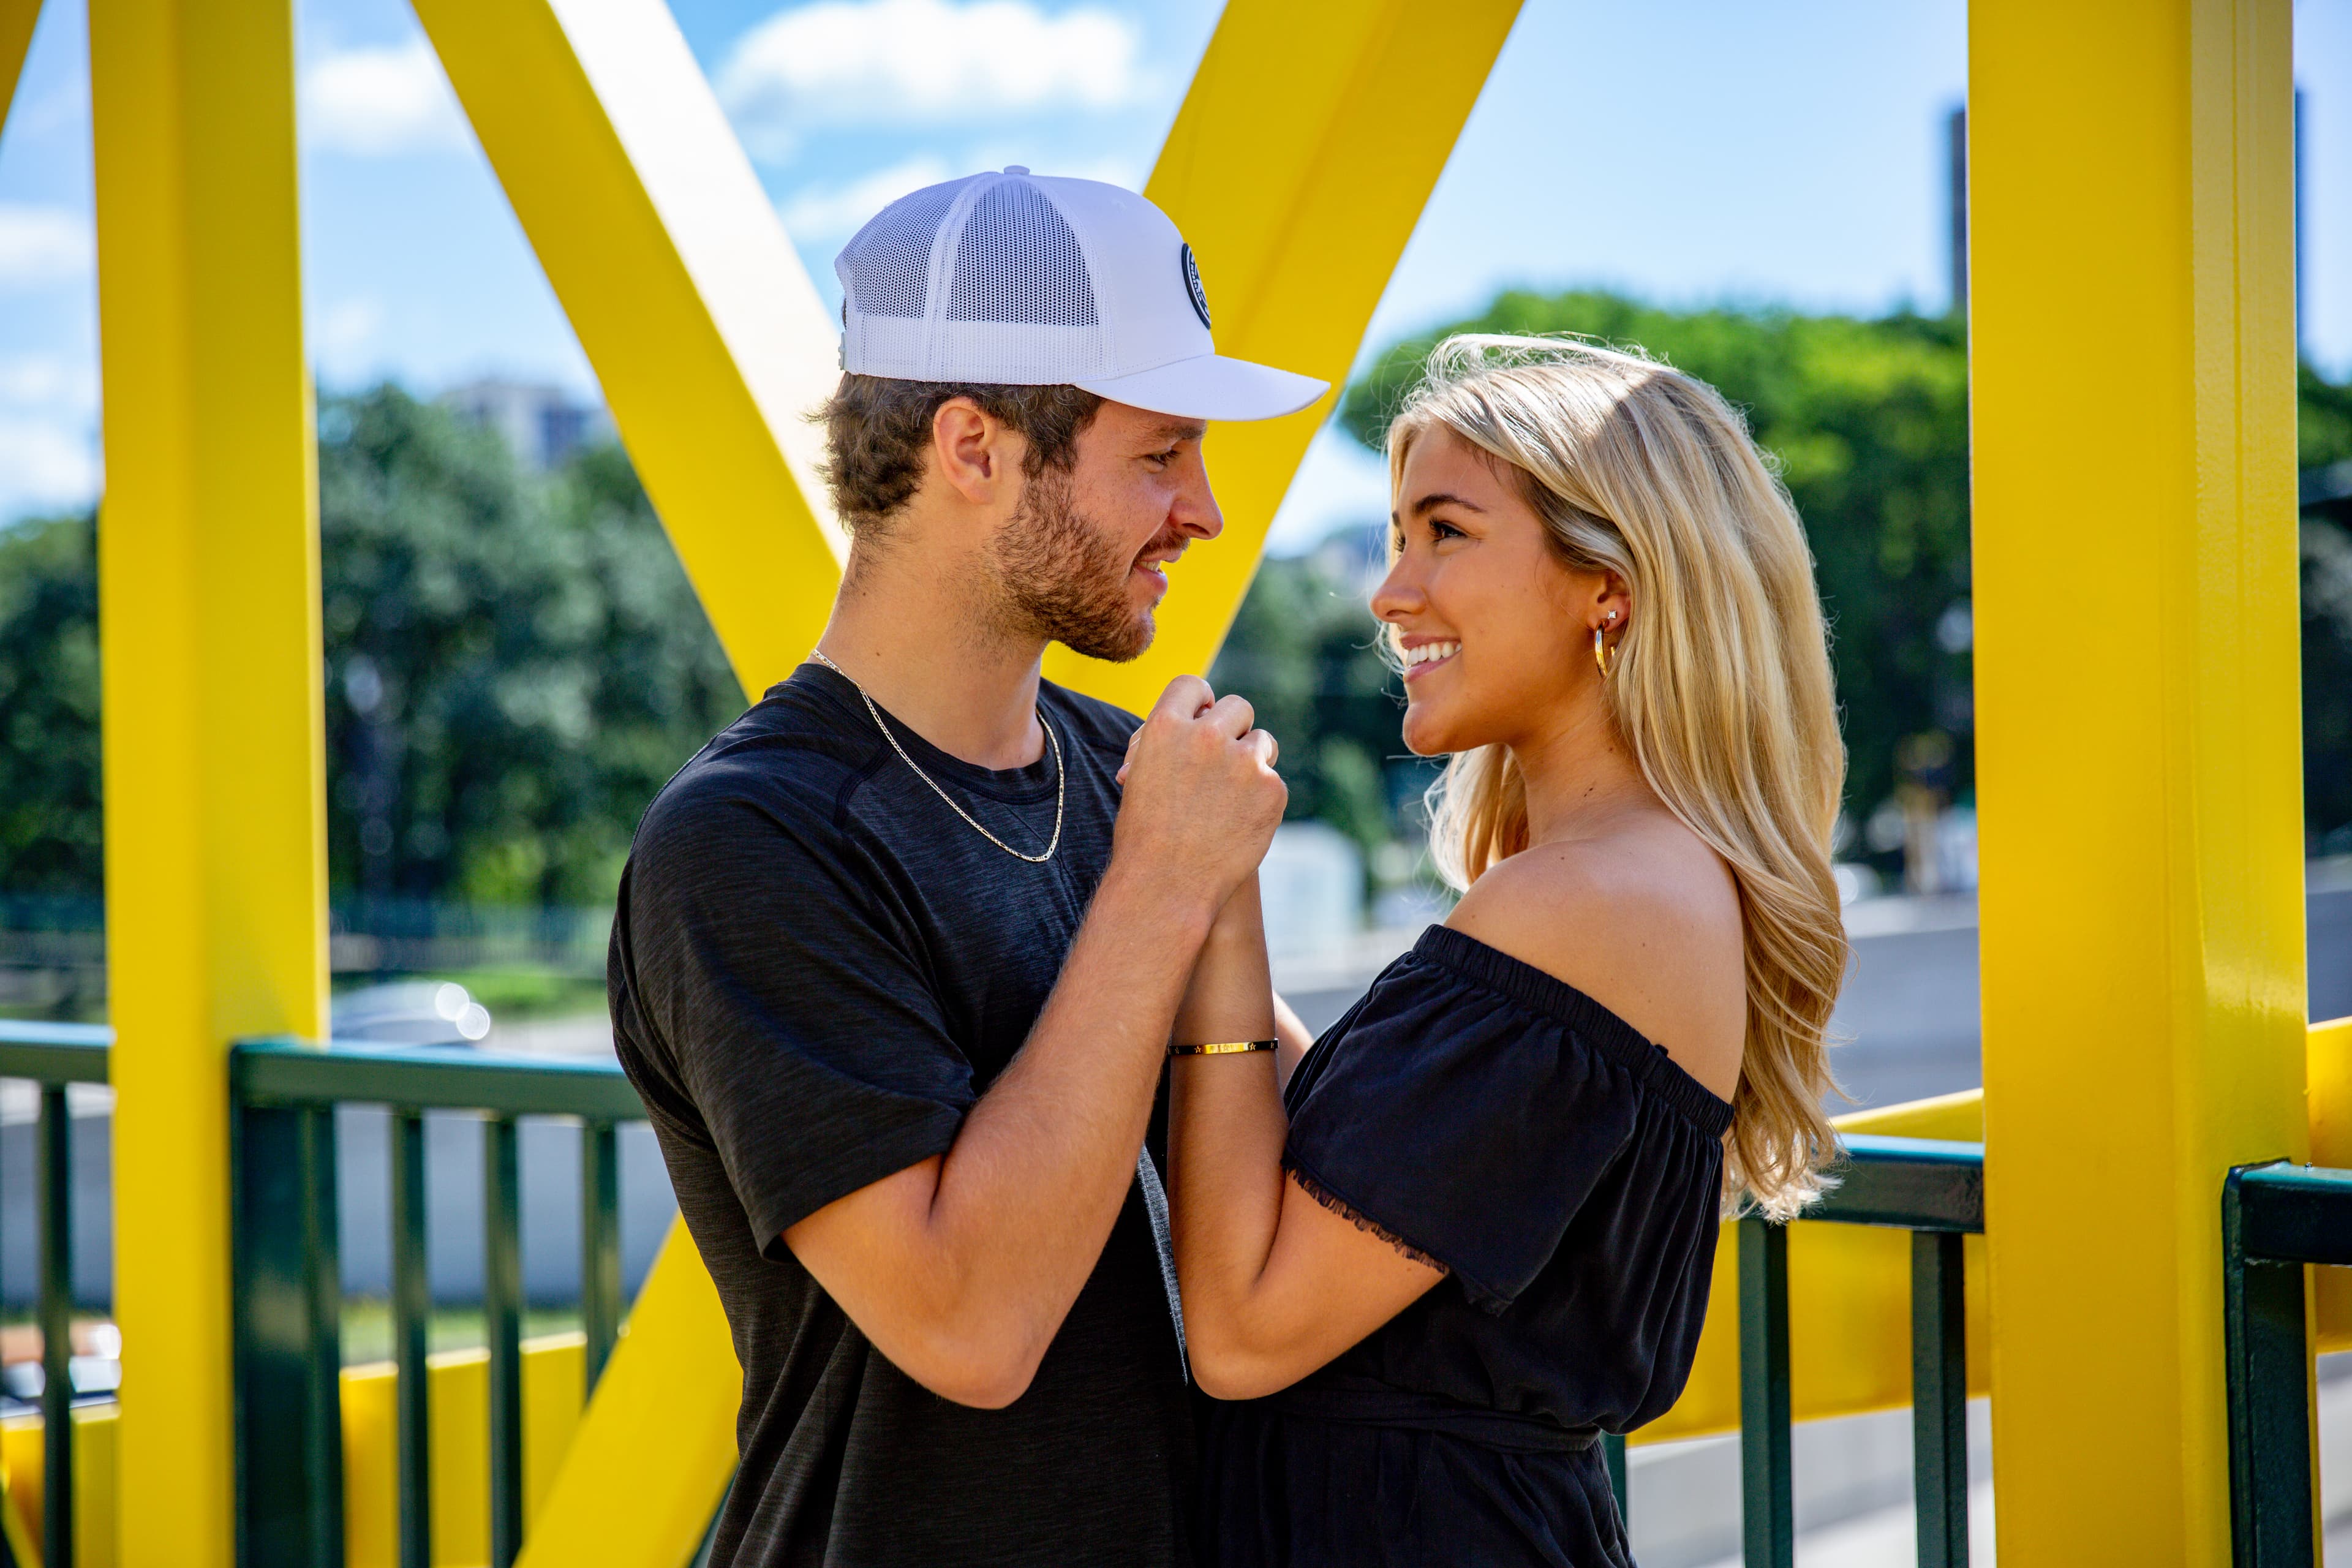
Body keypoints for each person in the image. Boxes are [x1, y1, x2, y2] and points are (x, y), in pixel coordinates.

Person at [606, 168, 1325, 1567]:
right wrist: (1170, 883)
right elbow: (969, 1322)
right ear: (975, 448)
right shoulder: (751, 839)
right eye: (1161, 453)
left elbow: (1294, 1168)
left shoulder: (1132, 779)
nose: (1206, 510)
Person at [1163, 336, 1850, 1567]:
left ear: (1610, 584)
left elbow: (1245, 1327)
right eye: (1393, 537)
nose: (1391, 593)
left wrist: (1212, 894)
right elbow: (1370, 1168)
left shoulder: (1593, 900)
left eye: (1446, 532)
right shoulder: (1627, 880)